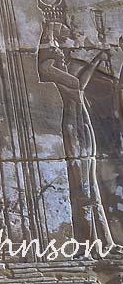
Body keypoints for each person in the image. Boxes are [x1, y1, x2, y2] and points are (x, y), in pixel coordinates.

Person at [38, 23, 117, 250]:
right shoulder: (47, 68)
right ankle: (89, 243)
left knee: (91, 186)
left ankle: (105, 241)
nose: (63, 52)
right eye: (58, 47)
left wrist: (97, 59)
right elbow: (77, 83)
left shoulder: (60, 68)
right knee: (83, 187)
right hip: (74, 127)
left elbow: (80, 82)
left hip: (82, 123)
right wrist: (96, 60)